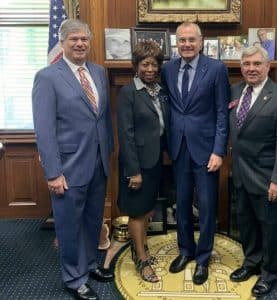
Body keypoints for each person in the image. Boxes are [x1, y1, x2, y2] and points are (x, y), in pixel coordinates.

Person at [32, 19, 114, 300]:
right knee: (69, 225)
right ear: (63, 43)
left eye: (84, 39)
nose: (80, 44)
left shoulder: (99, 72)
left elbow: (101, 119)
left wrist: (109, 154)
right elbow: (44, 130)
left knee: (93, 220)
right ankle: (73, 277)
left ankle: (90, 265)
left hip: (99, 162)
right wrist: (53, 173)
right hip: (68, 167)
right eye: (73, 39)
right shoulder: (47, 77)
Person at [161, 22, 230, 285]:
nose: (187, 44)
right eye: (182, 40)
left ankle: (203, 259)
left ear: (201, 42)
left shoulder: (216, 69)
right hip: (178, 148)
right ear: (176, 43)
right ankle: (185, 250)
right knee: (181, 206)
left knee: (208, 206)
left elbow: (222, 112)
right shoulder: (168, 69)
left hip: (206, 151)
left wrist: (219, 150)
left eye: (192, 40)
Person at [228, 46, 277, 297]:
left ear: (267, 66)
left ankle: (270, 273)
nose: (251, 68)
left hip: (268, 178)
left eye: (257, 64)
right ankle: (251, 263)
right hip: (240, 174)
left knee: (269, 228)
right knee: (246, 224)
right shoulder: (235, 91)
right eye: (246, 64)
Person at [117, 41, 168, 283]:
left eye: (155, 64)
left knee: (147, 210)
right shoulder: (128, 93)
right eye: (145, 64)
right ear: (135, 66)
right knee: (137, 213)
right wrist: (133, 172)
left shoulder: (159, 89)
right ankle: (141, 260)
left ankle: (142, 249)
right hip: (136, 165)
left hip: (155, 162)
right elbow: (125, 135)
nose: (151, 69)